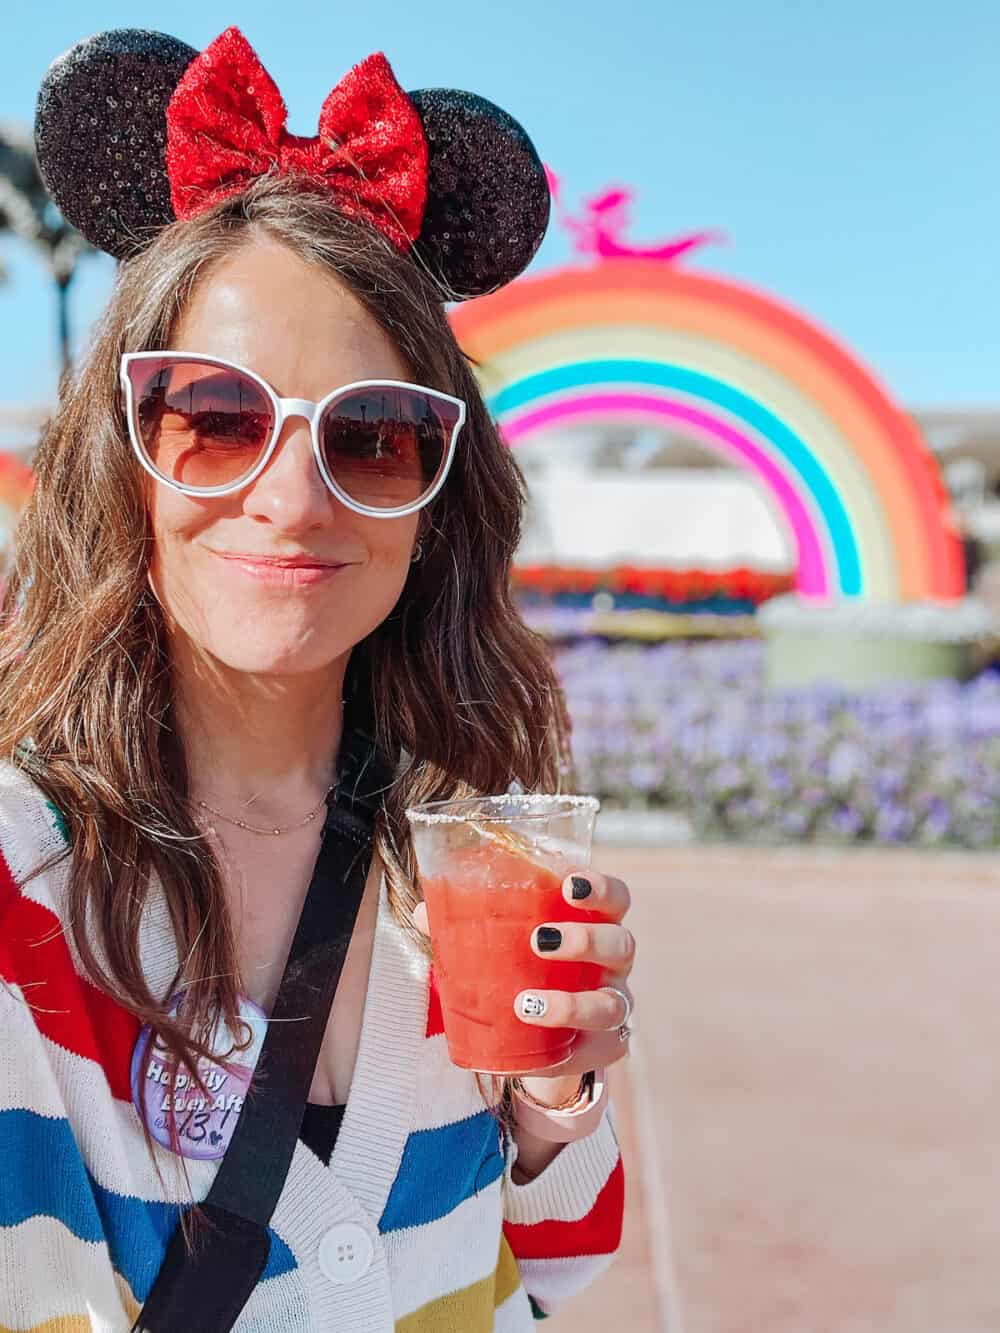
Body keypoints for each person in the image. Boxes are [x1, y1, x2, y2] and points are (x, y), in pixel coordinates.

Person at [0, 26, 635, 1330]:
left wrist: (552, 1100)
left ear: (437, 499)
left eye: (375, 434)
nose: (290, 499)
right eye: (215, 415)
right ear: (123, 456)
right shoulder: (23, 896)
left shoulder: (456, 842)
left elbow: (545, 1270)